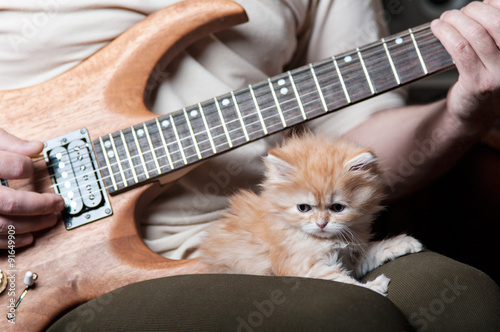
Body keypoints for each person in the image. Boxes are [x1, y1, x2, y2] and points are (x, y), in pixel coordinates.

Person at [1, 0, 499, 331]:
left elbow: (353, 158)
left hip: (268, 232)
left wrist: (462, 113)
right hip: (50, 264)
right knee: (342, 315)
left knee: (464, 304)